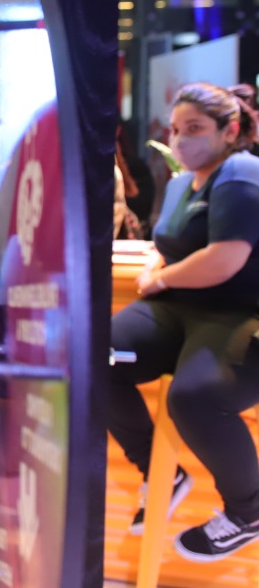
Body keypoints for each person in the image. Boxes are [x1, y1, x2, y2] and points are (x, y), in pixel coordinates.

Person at [109, 82, 259, 562]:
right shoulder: (179, 183)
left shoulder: (240, 171)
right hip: (178, 309)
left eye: (194, 129)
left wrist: (162, 277)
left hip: (238, 312)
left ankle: (248, 511)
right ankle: (160, 471)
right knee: (93, 356)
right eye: (175, 129)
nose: (180, 139)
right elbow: (169, 243)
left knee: (194, 397)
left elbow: (226, 258)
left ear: (230, 130)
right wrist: (157, 266)